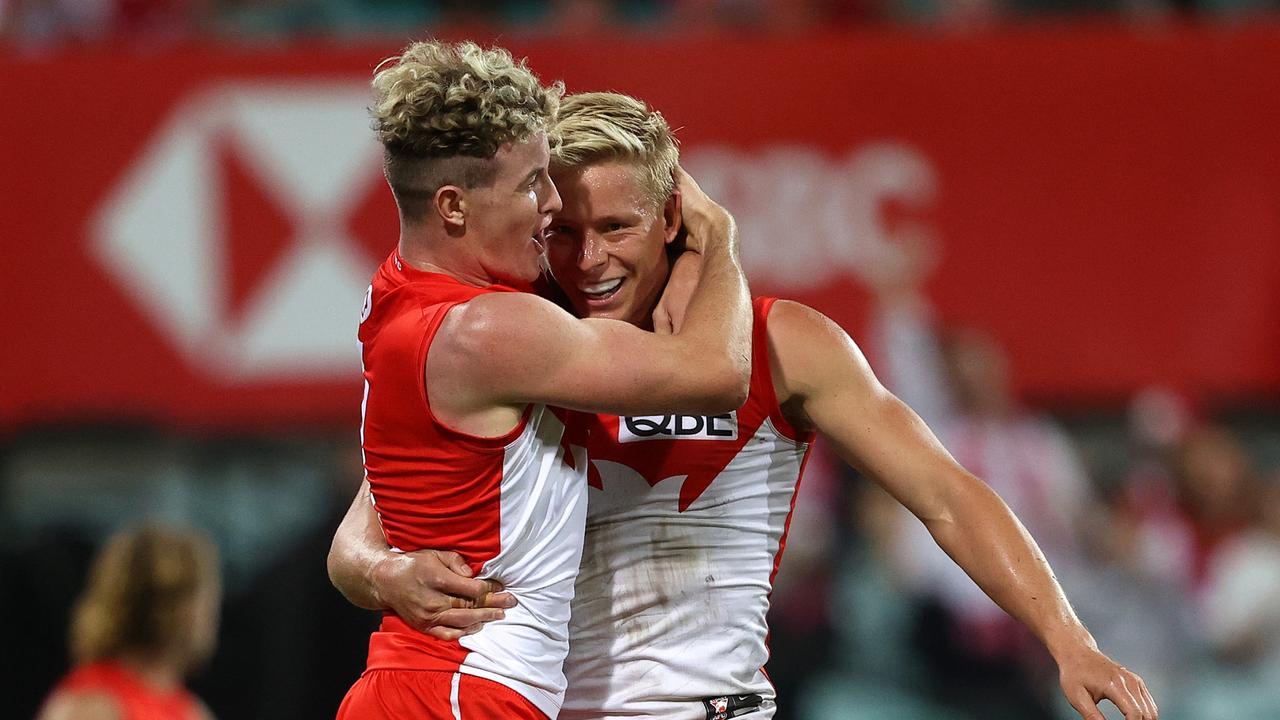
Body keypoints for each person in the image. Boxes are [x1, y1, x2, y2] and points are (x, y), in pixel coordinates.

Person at [330, 91, 1158, 720]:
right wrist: (382, 569)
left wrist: (1068, 639)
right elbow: (372, 519)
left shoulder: (785, 344)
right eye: (565, 232)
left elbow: (945, 493)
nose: (587, 260)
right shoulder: (528, 345)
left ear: (672, 219)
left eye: (616, 227)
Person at [334, 42, 752, 720]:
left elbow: (358, 528)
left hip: (427, 687)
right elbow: (719, 372)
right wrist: (719, 235)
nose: (552, 203)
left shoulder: (401, 296)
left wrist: (379, 569)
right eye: (532, 182)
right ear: (454, 206)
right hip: (463, 693)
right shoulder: (488, 332)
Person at [37, 525, 221, 720]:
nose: (213, 612)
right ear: (180, 607)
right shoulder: (92, 705)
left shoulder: (192, 711)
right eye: (204, 597)